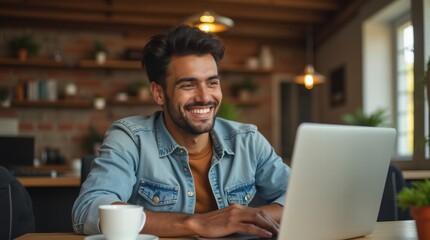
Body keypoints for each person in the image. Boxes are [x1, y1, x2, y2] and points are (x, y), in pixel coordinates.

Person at [72, 25, 290, 238]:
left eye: (212, 83)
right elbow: (89, 208)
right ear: (158, 93)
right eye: (188, 85)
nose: (205, 97)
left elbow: (304, 198)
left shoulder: (247, 140)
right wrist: (195, 223)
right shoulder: (130, 138)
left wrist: (252, 216)